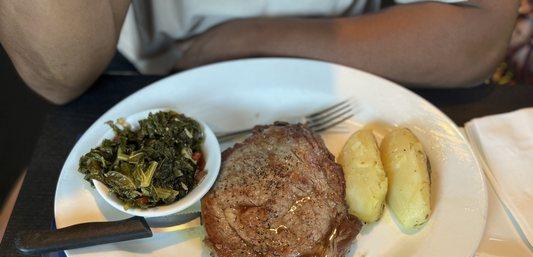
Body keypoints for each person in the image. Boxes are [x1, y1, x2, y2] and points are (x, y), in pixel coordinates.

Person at [0, 0, 519, 104]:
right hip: (134, 64)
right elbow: (59, 73)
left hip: (369, 53)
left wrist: (242, 41)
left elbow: (473, 36)